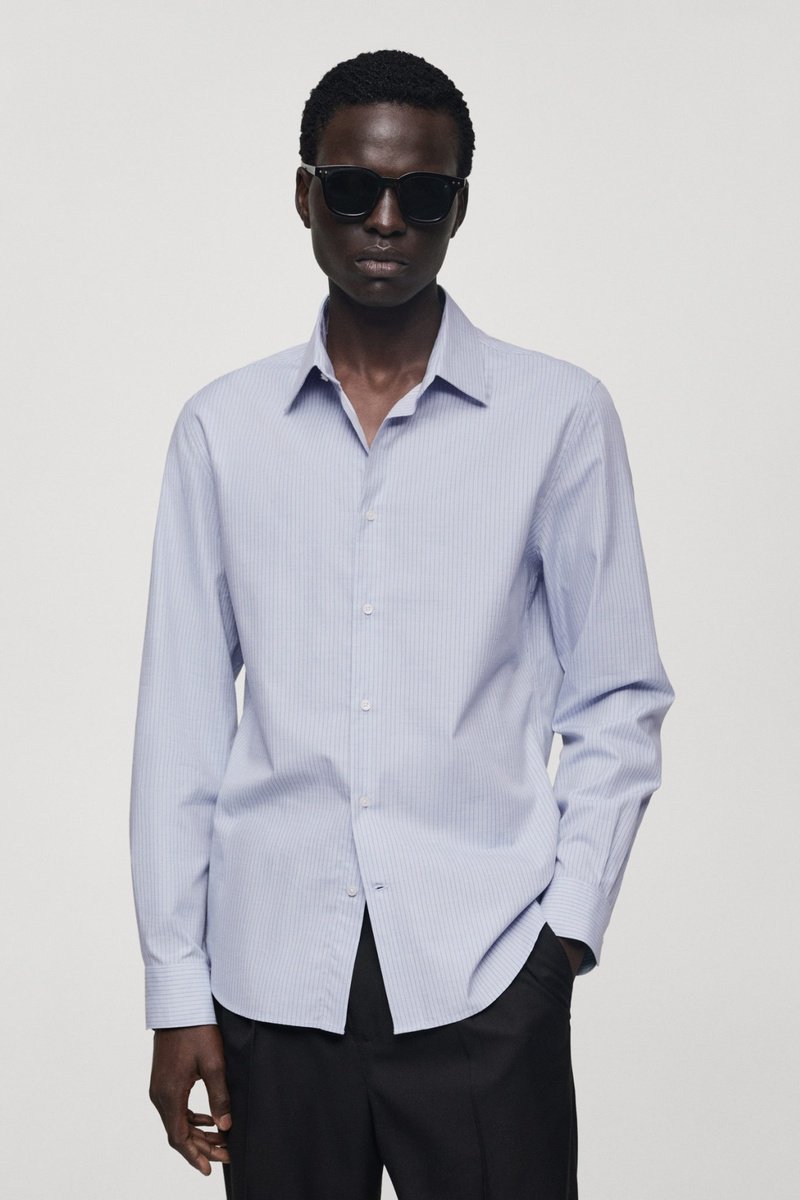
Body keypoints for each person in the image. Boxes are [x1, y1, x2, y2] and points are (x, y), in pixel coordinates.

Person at [130, 49, 673, 1200]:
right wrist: (177, 990)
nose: (385, 221)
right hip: (271, 986)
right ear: (303, 195)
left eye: (421, 195)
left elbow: (617, 697)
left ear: (457, 209)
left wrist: (562, 938)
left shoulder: (557, 418)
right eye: (352, 188)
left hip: (485, 976)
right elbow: (181, 727)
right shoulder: (222, 432)